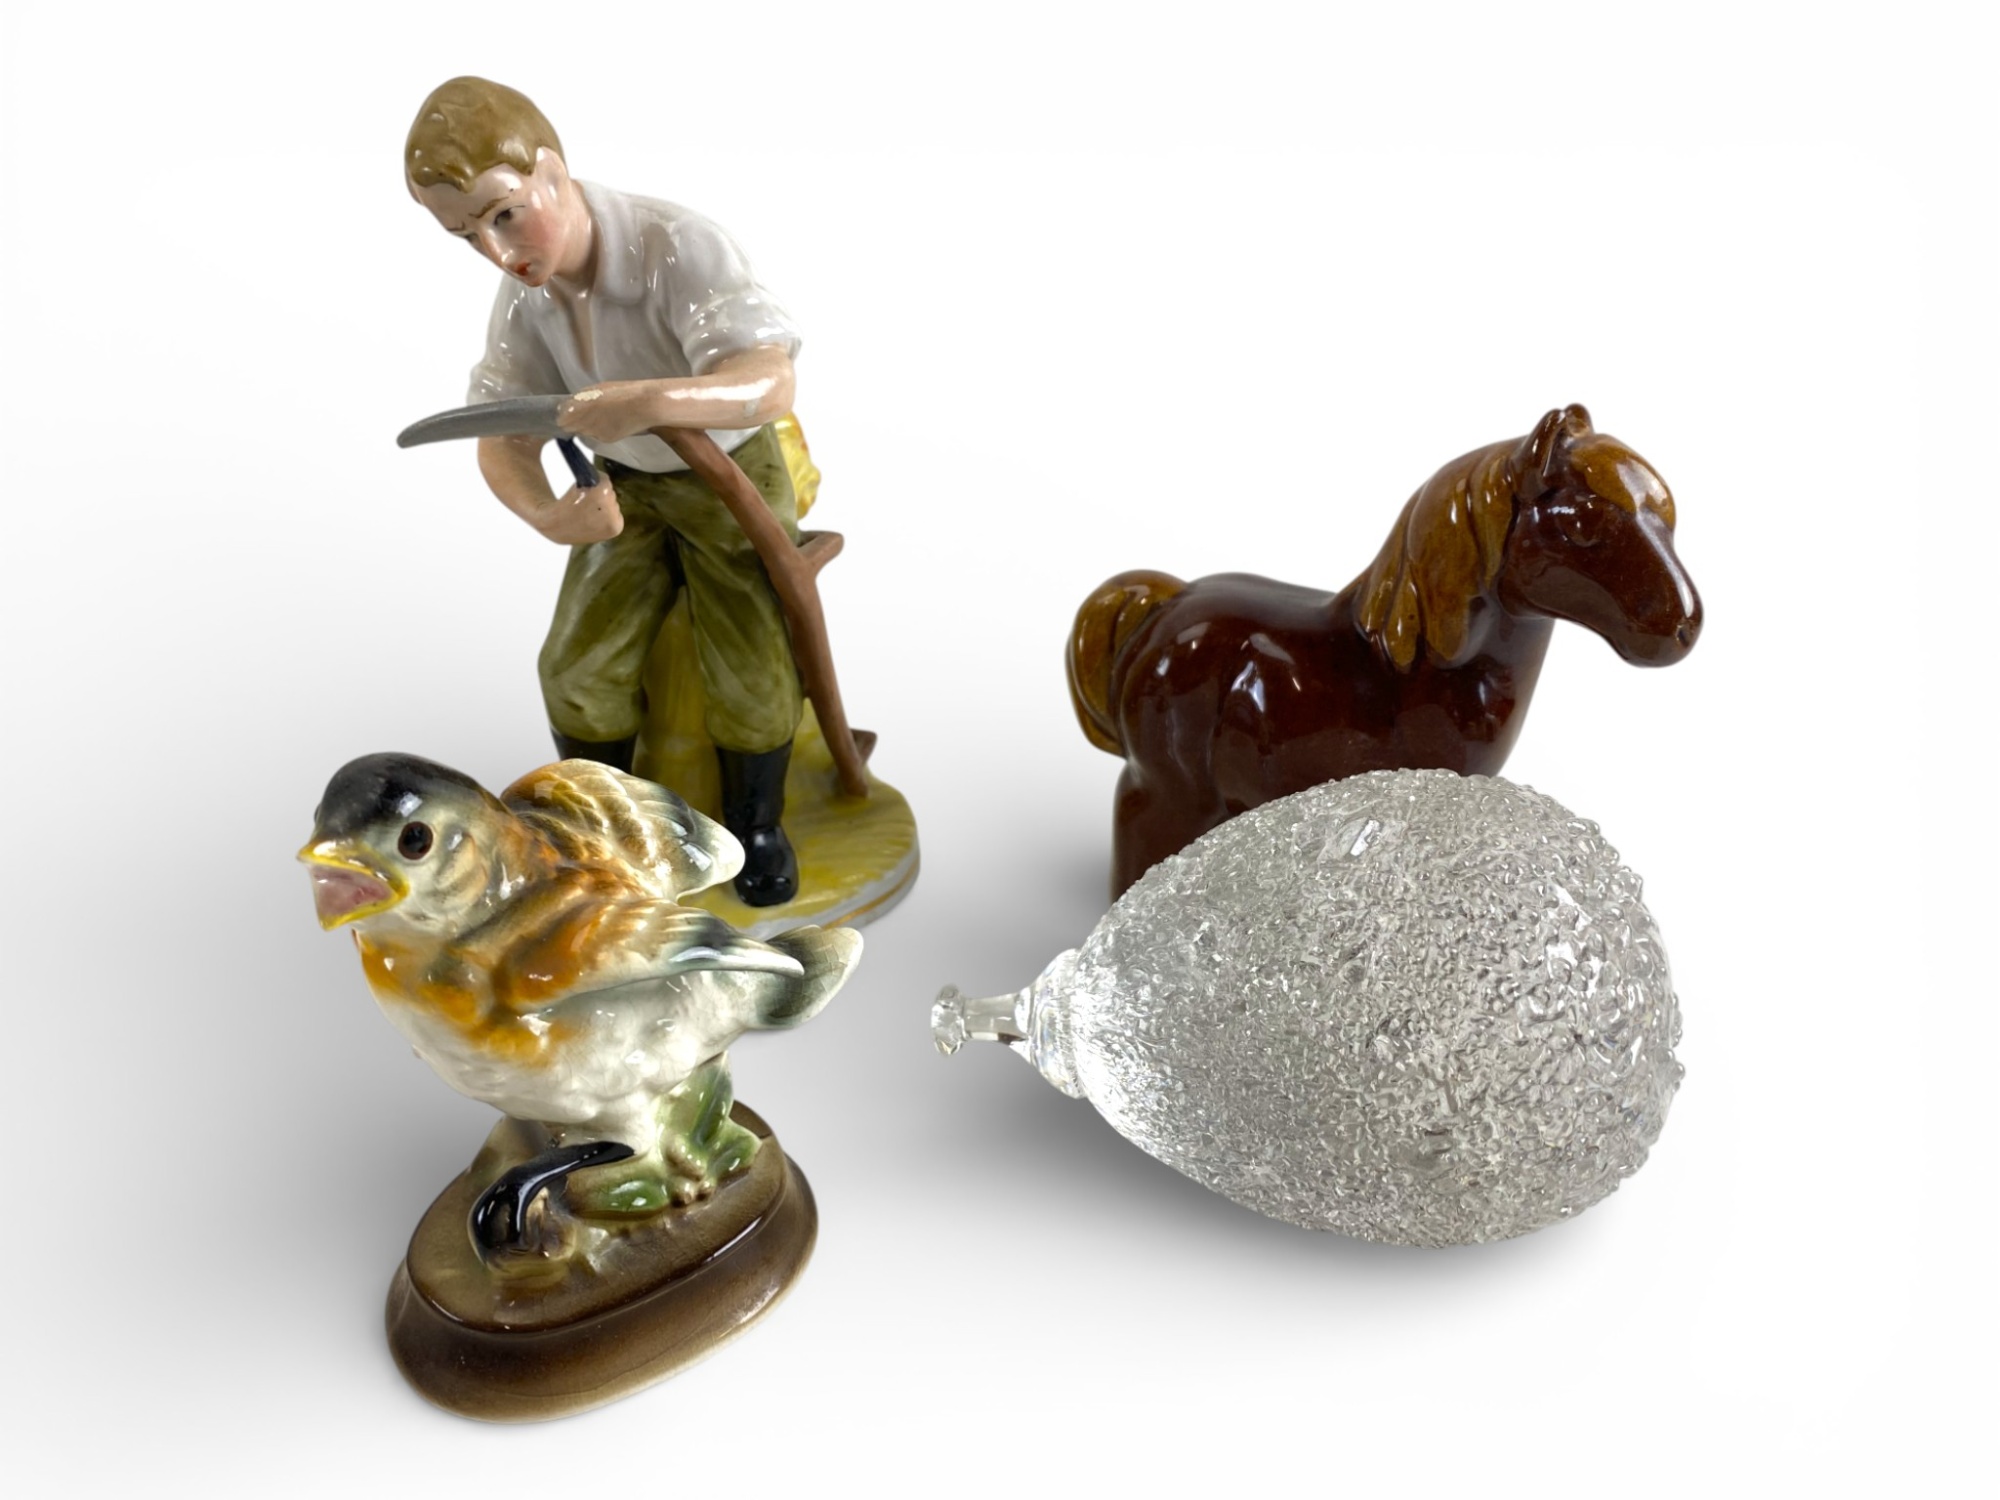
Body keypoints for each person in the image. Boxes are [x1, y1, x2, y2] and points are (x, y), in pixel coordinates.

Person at [405, 76, 806, 905]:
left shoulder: (678, 247)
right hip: (624, 486)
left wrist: (654, 400)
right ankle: (602, 821)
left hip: (729, 477)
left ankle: (755, 824)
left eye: (504, 214)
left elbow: (768, 380)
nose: (497, 252)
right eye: (466, 235)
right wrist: (548, 512)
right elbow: (502, 432)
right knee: (576, 664)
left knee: (750, 661)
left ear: (552, 173)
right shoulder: (525, 299)